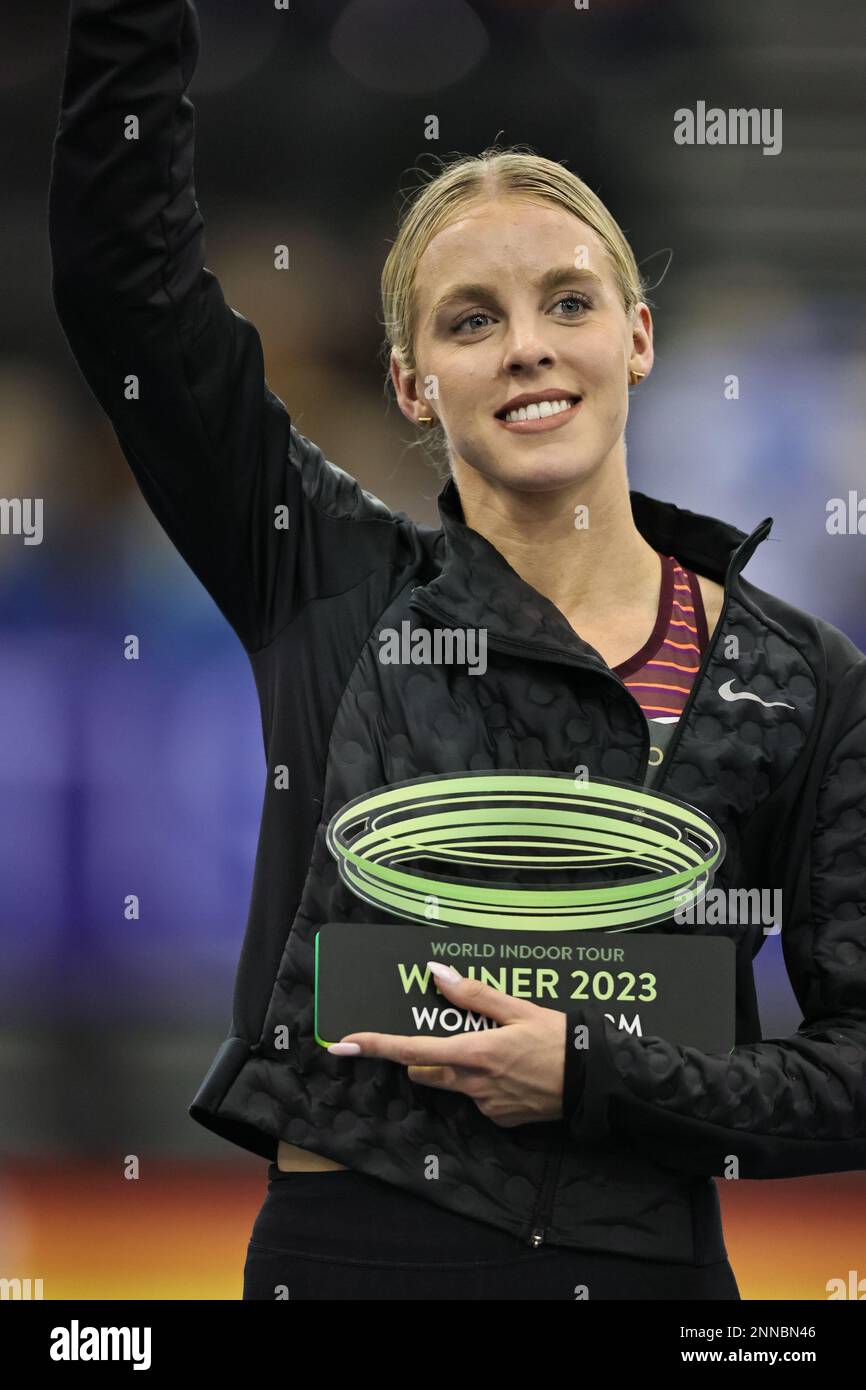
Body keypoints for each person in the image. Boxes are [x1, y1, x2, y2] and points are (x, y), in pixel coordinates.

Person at [49, 0, 866, 1301]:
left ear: (636, 337)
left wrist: (596, 1074)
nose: (527, 342)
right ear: (412, 380)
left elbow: (854, 1067)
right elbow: (122, 282)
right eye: (469, 318)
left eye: (566, 301)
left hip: (650, 1269)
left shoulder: (790, 673)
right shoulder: (321, 575)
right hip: (353, 1261)